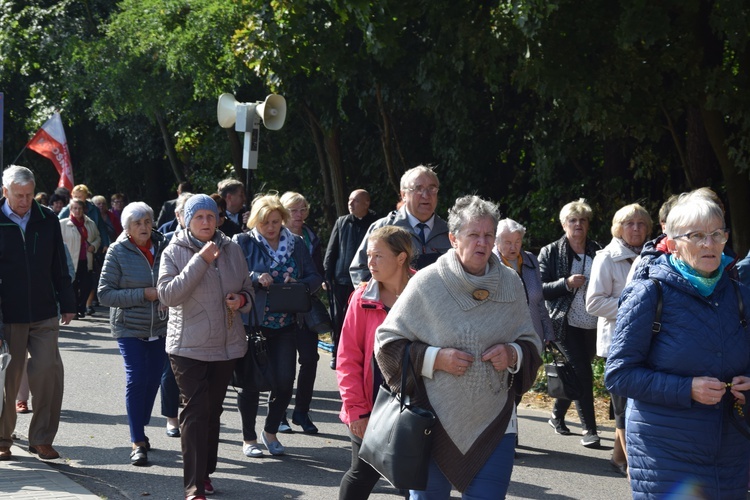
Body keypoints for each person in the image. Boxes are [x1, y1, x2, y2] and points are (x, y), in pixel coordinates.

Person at [375, 195, 543, 498]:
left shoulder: (511, 283)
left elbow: (530, 342)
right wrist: (434, 359)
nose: (482, 242)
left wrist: (513, 354)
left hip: (496, 426)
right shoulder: (427, 283)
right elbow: (387, 343)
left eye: (488, 235)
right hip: (429, 423)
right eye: (473, 235)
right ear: (454, 238)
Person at [605, 190, 750, 498]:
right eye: (697, 236)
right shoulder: (649, 294)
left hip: (731, 455)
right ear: (672, 245)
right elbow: (618, 374)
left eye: (716, 234)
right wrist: (687, 389)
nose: (709, 244)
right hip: (665, 454)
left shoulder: (740, 296)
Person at [157, 194, 253, 500]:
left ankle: (206, 473)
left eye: (210, 217)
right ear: (185, 219)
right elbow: (168, 295)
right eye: (198, 217)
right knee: (196, 411)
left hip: (225, 345)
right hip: (187, 347)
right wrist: (201, 260)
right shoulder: (174, 250)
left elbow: (248, 291)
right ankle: (194, 486)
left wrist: (241, 301)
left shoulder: (233, 248)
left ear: (218, 219)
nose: (205, 222)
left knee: (212, 412)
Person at [233, 193, 322, 457]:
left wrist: (301, 285)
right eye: (265, 223)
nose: (271, 228)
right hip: (253, 322)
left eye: (275, 221)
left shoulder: (295, 243)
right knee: (250, 384)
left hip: (286, 322)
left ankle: (270, 431)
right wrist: (255, 278)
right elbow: (230, 275)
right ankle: (248, 439)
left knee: (284, 381)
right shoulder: (242, 242)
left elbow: (315, 276)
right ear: (255, 223)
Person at [0, 165, 76, 461]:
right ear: (5, 192)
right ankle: (3, 439)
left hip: (44, 311)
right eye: (19, 195)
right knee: (8, 378)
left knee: (48, 372)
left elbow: (60, 263)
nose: (25, 200)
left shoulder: (47, 219)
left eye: (29, 194)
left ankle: (42, 438)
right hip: (8, 315)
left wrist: (68, 301)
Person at [337, 225, 414, 499]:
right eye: (368, 255)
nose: (370, 263)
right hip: (371, 405)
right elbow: (347, 358)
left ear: (401, 258)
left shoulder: (423, 291)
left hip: (415, 405)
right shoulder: (362, 298)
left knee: (414, 477)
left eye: (378, 256)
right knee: (362, 473)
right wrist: (357, 410)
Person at [97, 202, 168, 466]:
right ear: (127, 228)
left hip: (160, 327)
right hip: (129, 326)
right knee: (137, 379)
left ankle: (140, 422)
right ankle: (137, 441)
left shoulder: (164, 247)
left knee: (153, 382)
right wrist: (144, 295)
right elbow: (105, 294)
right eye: (137, 223)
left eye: (148, 221)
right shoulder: (117, 251)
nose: (144, 227)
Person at [584, 203, 651, 476]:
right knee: (623, 406)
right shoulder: (607, 257)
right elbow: (593, 303)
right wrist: (635, 308)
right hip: (617, 343)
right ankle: (633, 467)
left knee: (631, 402)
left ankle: (617, 458)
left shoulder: (652, 254)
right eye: (629, 224)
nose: (635, 229)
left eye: (641, 224)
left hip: (646, 342)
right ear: (618, 228)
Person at [538, 198, 602, 447]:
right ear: (564, 224)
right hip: (563, 323)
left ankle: (556, 414)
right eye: (573, 220)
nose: (578, 224)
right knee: (583, 374)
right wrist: (566, 283)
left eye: (583, 220)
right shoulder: (551, 252)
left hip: (593, 324)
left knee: (576, 374)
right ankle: (590, 430)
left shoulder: (598, 250)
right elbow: (540, 288)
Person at [349, 165, 451, 286]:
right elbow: (360, 270)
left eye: (432, 188)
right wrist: (379, 298)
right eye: (418, 188)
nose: (426, 195)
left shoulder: (451, 233)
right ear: (403, 195)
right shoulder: (383, 229)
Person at [278, 191, 326, 434]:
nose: (299, 215)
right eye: (294, 210)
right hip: (280, 309)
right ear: (284, 212)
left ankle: (301, 412)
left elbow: (318, 273)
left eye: (303, 210)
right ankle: (279, 415)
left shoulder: (310, 237)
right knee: (283, 364)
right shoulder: (275, 236)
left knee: (310, 359)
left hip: (306, 306)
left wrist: (304, 283)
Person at [324, 189, 378, 369]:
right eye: (349, 200)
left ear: (366, 203)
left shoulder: (376, 223)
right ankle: (336, 353)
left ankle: (362, 356)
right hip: (341, 280)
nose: (350, 203)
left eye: (355, 201)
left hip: (366, 280)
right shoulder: (342, 222)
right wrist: (327, 276)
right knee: (338, 319)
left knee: (362, 320)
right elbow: (331, 251)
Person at [60, 199, 101, 319]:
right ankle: (73, 310)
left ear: (84, 210)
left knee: (86, 285)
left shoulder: (90, 223)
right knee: (72, 286)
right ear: (70, 210)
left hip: (86, 260)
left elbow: (97, 237)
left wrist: (93, 246)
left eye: (80, 208)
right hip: (70, 261)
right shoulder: (62, 224)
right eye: (75, 208)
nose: (77, 211)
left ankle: (81, 308)